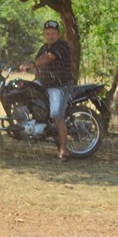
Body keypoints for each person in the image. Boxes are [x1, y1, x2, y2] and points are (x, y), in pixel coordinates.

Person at [20, 20, 74, 160]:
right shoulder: (44, 47)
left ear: (58, 34)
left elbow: (48, 58)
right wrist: (22, 67)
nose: (50, 36)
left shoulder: (62, 46)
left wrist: (32, 64)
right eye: (48, 33)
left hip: (59, 85)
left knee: (57, 113)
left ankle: (63, 149)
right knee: (23, 93)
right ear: (44, 34)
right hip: (44, 83)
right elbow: (38, 61)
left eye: (53, 33)